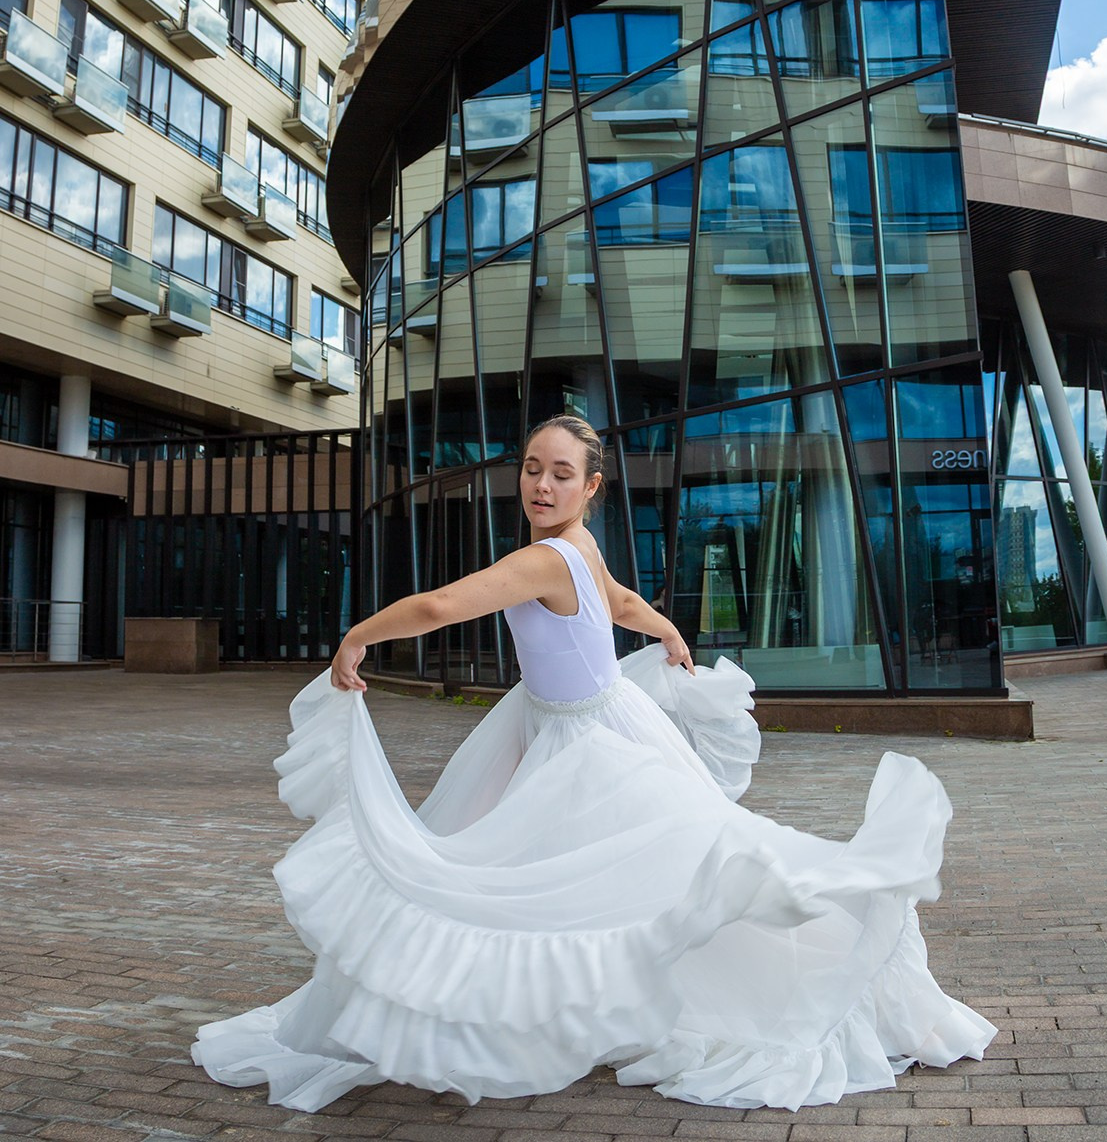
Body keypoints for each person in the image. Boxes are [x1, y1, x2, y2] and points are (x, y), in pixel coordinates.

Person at [192, 413, 995, 1114]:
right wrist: (670, 631)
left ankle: (803, 983)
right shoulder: (572, 548)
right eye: (533, 469)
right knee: (590, 884)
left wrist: (357, 636)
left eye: (561, 474)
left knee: (663, 875)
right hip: (556, 729)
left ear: (592, 487)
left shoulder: (549, 559)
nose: (542, 484)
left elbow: (443, 607)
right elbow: (617, 603)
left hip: (592, 748)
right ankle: (547, 1010)